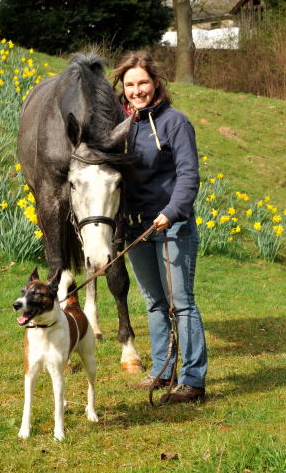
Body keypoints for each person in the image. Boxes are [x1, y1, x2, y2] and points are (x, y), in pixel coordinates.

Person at [113, 51, 207, 403]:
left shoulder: (175, 122)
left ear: (156, 84)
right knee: (154, 304)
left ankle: (193, 380)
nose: (137, 90)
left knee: (180, 304)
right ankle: (162, 371)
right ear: (122, 88)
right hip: (137, 229)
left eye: (143, 83)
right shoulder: (122, 127)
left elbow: (188, 175)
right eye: (130, 84)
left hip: (171, 226)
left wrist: (171, 211)